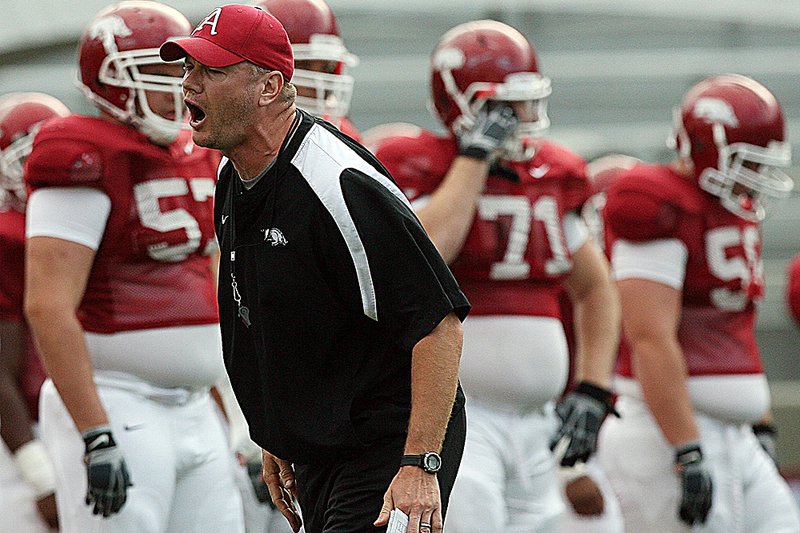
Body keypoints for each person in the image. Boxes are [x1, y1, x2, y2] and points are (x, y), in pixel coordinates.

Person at [159, 5, 469, 533]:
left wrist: (420, 463)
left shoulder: (337, 181)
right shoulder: (235, 174)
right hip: (325, 440)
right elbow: (262, 314)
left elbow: (439, 326)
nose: (189, 85)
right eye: (188, 69)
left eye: (209, 70)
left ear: (268, 86)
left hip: (387, 439)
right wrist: (275, 433)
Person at [365, 20, 621, 533]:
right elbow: (429, 254)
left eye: (528, 103)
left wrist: (593, 386)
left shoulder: (554, 174)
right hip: (462, 419)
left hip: (541, 423)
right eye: (510, 107)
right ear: (465, 104)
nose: (526, 119)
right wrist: (474, 158)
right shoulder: (418, 163)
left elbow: (595, 290)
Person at [23, 2, 244, 532]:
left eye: (180, 74)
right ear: (107, 82)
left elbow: (213, 294)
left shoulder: (196, 153)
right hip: (118, 397)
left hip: (194, 403)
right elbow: (48, 304)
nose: (174, 90)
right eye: (153, 74)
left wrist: (236, 418)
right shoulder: (84, 152)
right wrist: (94, 431)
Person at [597, 73, 800, 532]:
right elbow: (650, 338)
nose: (757, 177)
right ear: (707, 146)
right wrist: (685, 448)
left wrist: (759, 423)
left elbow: (734, 331)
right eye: (747, 162)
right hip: (665, 430)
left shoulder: (729, 208)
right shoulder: (655, 200)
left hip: (734, 435)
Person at [0, 91, 69, 533]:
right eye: (29, 159)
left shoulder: (79, 220)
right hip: (23, 434)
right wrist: (39, 474)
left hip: (81, 417)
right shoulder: (8, 237)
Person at [253, 0, 361, 140]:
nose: (317, 84)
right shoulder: (223, 134)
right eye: (303, 65)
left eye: (327, 68)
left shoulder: (342, 135)